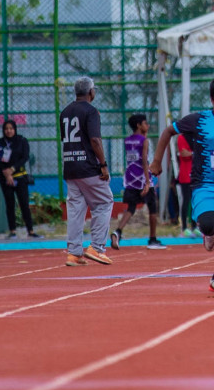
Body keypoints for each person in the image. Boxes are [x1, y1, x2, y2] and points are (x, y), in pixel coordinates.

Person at [154, 76, 214, 292]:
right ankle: (208, 232)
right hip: (205, 185)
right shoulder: (198, 120)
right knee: (210, 224)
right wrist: (156, 162)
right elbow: (168, 131)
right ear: (212, 99)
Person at [59, 76, 114, 267]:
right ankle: (97, 247)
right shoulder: (91, 111)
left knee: (75, 210)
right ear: (91, 92)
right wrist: (103, 164)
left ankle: (74, 253)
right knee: (104, 202)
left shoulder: (65, 112)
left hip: (70, 167)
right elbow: (95, 140)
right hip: (88, 166)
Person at [109, 114, 163, 250]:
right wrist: (147, 182)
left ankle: (118, 232)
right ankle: (152, 239)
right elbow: (144, 161)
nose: (148, 126)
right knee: (152, 208)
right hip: (142, 178)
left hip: (130, 179)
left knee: (131, 208)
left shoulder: (127, 140)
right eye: (145, 123)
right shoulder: (144, 141)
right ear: (139, 125)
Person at [0, 118, 38, 239]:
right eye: (6, 129)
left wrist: (12, 169)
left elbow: (24, 157)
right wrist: (7, 174)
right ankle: (12, 230)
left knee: (24, 203)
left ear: (15, 129)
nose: (9, 131)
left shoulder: (22, 141)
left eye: (11, 128)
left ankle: (31, 230)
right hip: (5, 178)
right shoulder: (0, 143)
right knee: (9, 204)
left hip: (20, 177)